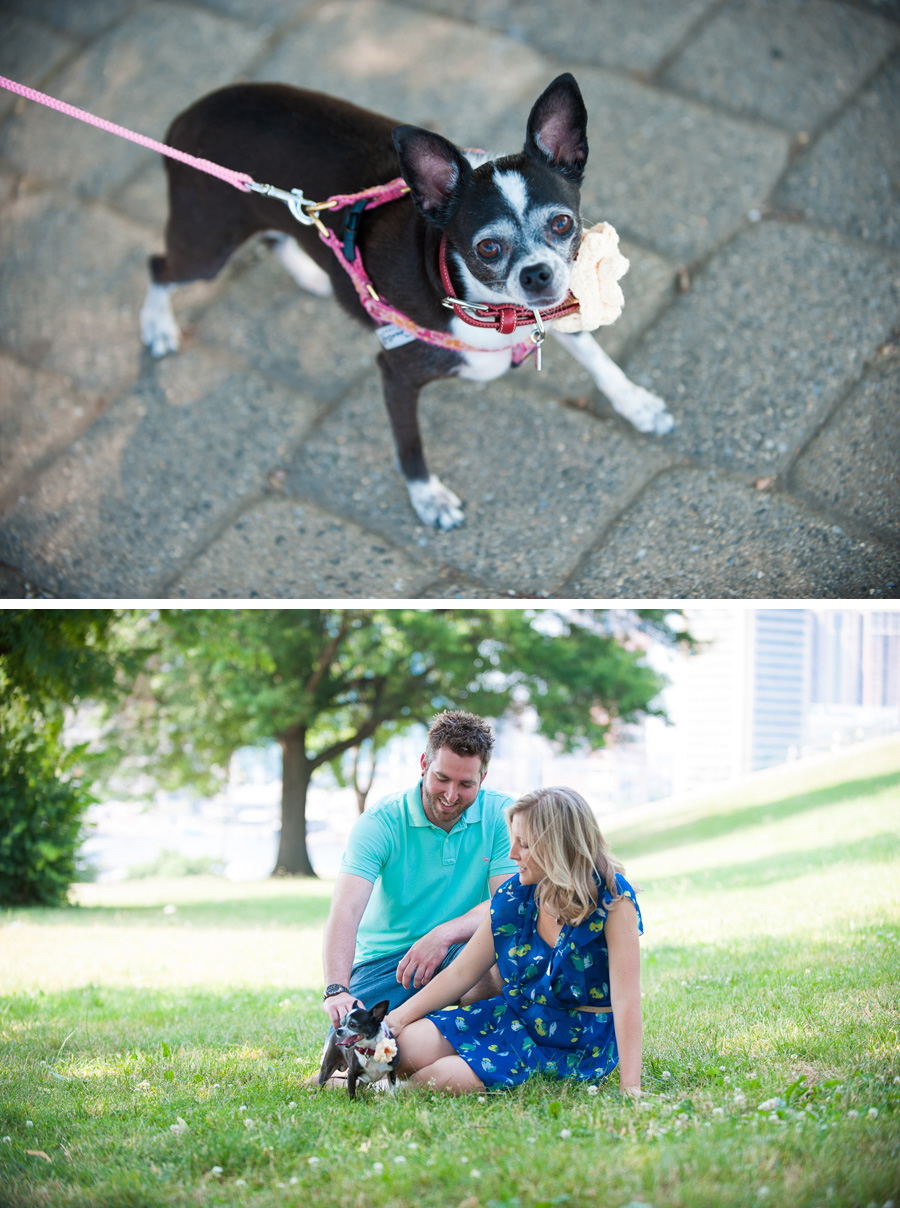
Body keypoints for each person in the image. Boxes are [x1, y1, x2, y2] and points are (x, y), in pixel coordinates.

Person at [386, 787, 643, 1095]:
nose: (512, 854)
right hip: (512, 1017)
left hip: (573, 1043)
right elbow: (460, 973)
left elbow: (627, 999)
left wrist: (631, 1087)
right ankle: (372, 1075)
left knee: (436, 1078)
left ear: (556, 845)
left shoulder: (613, 901)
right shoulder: (514, 895)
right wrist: (394, 1020)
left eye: (524, 844)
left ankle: (384, 1088)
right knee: (398, 1048)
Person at [321, 710, 517, 1027]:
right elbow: (346, 909)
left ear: (483, 777)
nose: (451, 796)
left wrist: (443, 935)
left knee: (493, 964)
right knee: (350, 1061)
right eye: (442, 778)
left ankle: (473, 1038)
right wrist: (337, 990)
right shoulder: (380, 821)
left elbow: (508, 901)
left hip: (462, 949)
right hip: (386, 961)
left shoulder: (502, 815)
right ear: (424, 765)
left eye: (465, 783)